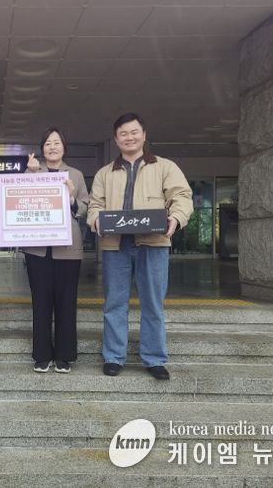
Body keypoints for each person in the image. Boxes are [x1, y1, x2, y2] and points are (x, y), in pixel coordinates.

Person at [87, 112, 193, 381]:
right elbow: (95, 205)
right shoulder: (104, 173)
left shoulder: (165, 167)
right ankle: (113, 357)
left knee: (153, 304)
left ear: (144, 135)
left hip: (154, 244)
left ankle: (154, 358)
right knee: (114, 303)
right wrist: (96, 221)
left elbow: (182, 196)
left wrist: (176, 218)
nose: (129, 137)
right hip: (116, 246)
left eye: (134, 132)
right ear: (116, 139)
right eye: (123, 133)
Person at [23, 127, 89, 374]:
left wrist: (71, 199)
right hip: (37, 248)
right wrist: (30, 175)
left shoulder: (76, 174)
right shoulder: (32, 172)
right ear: (42, 149)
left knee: (66, 302)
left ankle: (64, 356)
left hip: (68, 248)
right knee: (40, 302)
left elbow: (85, 206)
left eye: (57, 143)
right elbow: (20, 201)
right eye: (48, 143)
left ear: (64, 147)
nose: (52, 147)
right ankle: (42, 355)